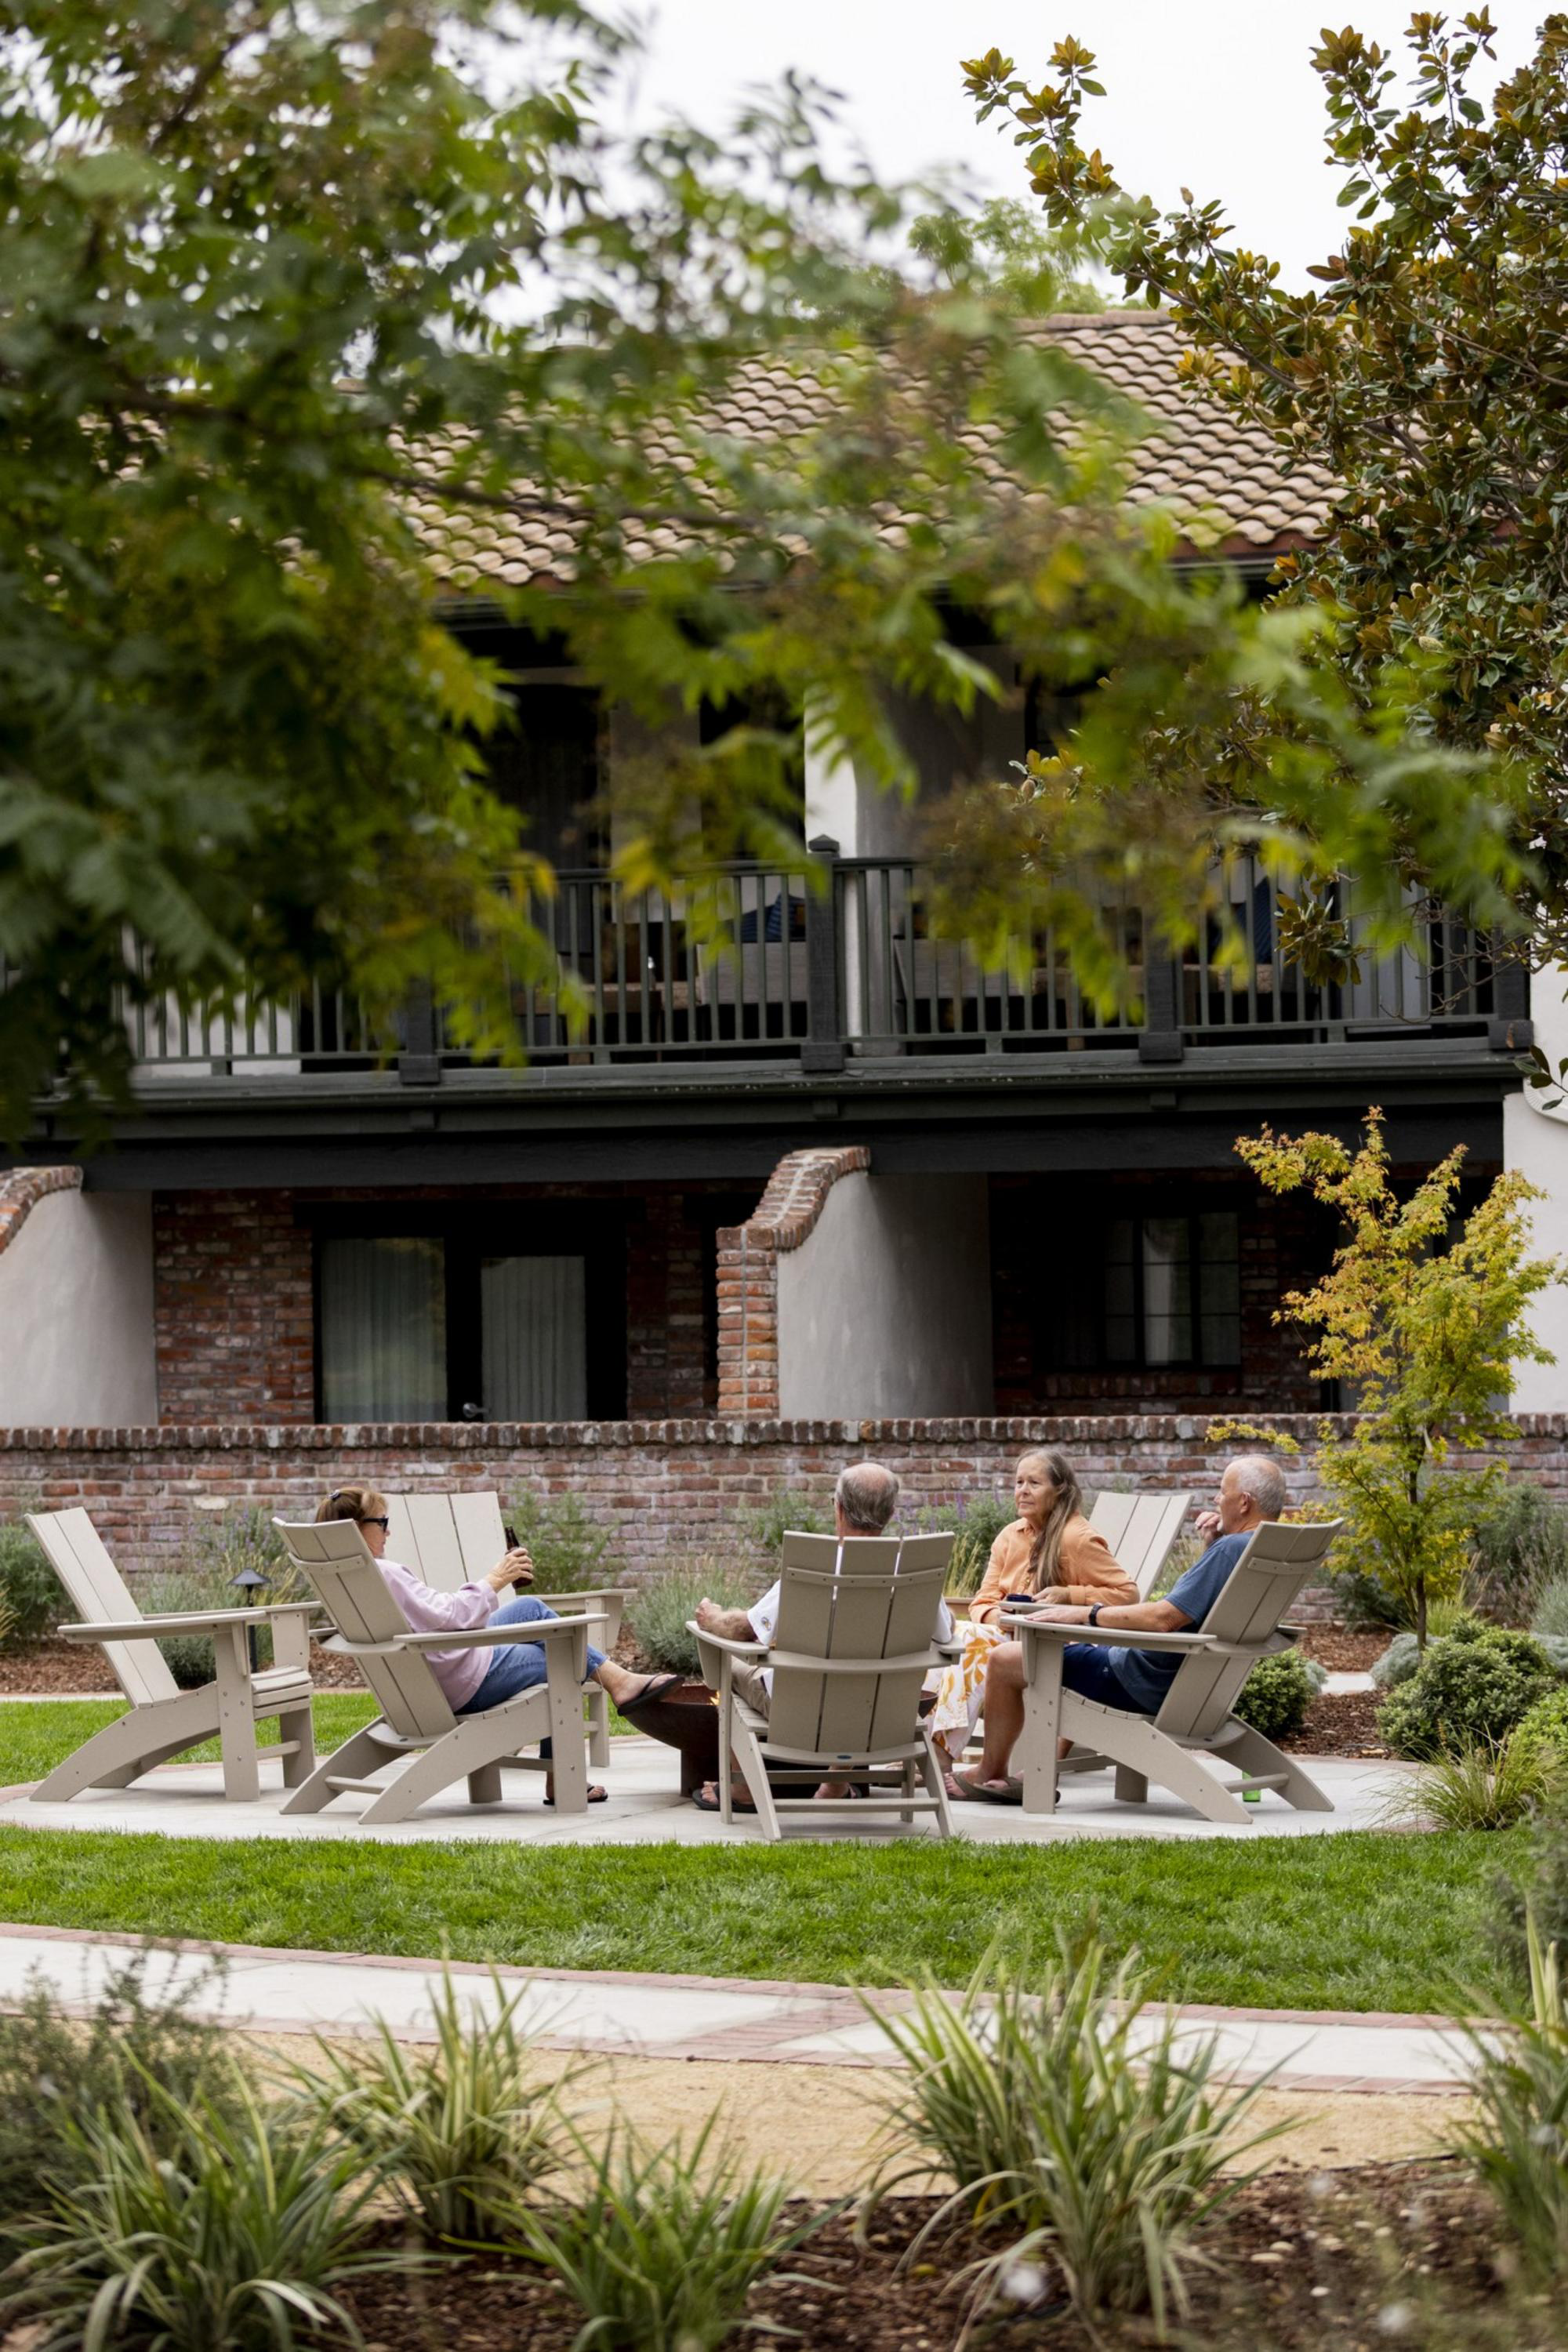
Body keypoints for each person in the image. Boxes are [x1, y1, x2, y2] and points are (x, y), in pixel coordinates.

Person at [952, 1453, 1289, 1803]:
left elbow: (1165, 1618)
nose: (1218, 1501)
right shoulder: (1264, 1548)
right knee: (1031, 1652)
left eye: (1222, 1492)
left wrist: (1086, 1615)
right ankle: (1022, 1776)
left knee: (1007, 1659)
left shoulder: (1230, 1549)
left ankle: (988, 1771)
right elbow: (1209, 1609)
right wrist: (1211, 1546)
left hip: (1138, 1678)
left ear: (1245, 1503)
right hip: (1195, 1690)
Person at [314, 1488, 678, 1805]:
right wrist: (496, 1578)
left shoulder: (346, 1580)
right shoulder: (387, 1573)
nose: (388, 1530)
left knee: (529, 1609)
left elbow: (436, 1619)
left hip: (429, 1677)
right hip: (462, 1682)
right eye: (381, 1522)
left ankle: (618, 1682)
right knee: (560, 1651)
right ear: (355, 1530)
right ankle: (581, 1751)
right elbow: (451, 1616)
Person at [691, 1460, 951, 1811]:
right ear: (890, 1513)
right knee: (859, 1689)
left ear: (839, 1508)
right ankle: (834, 1783)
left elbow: (745, 1631)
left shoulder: (816, 1571)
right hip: (885, 1712)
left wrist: (711, 1619)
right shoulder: (914, 1575)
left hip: (799, 1711)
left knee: (731, 1663)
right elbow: (947, 1634)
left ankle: (744, 1788)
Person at [928, 1451, 1136, 1793]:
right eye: (1018, 1482)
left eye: (1034, 1483)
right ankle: (940, 1753)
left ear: (1060, 1490)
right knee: (956, 1636)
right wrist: (1004, 1620)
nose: (1022, 1490)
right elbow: (983, 1601)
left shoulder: (1077, 1538)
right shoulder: (1010, 1537)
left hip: (1061, 1644)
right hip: (1010, 1640)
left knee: (972, 1642)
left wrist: (1070, 1596)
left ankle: (942, 1754)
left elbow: (1128, 1594)